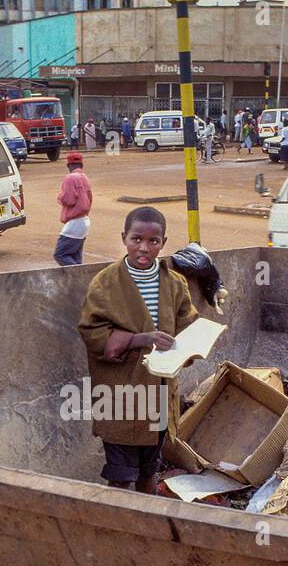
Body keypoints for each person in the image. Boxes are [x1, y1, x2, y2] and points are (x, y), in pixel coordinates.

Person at [77, 207, 199, 494]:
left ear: (163, 242)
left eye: (153, 241)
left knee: (148, 472)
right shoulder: (105, 283)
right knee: (120, 478)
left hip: (158, 393)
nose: (144, 247)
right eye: (136, 239)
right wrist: (140, 339)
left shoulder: (174, 283)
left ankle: (149, 529)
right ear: (124, 238)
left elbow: (188, 326)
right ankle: (116, 533)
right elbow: (91, 333)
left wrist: (193, 345)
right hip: (121, 395)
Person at [54, 151, 93, 266]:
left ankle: (79, 277)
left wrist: (60, 197)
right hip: (84, 220)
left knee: (60, 254)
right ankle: (78, 281)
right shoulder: (85, 178)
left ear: (68, 165)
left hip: (75, 222)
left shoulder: (70, 178)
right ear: (82, 165)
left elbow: (68, 200)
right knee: (75, 256)